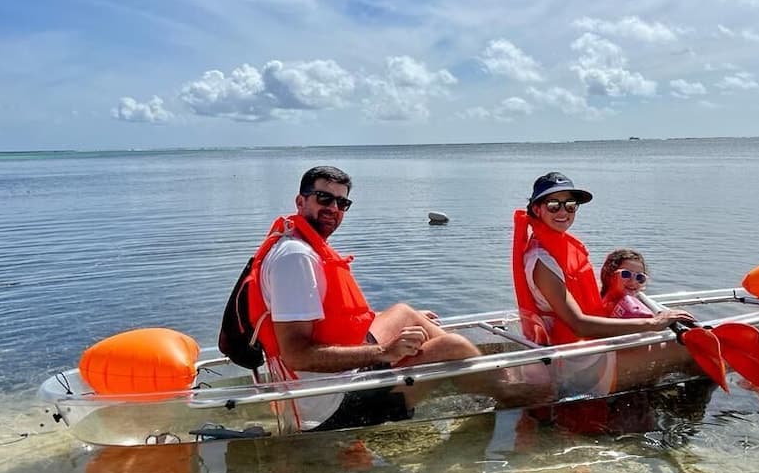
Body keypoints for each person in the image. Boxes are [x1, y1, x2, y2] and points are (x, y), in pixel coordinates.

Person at [248, 165, 513, 434]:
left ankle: (493, 380)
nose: (333, 208)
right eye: (324, 198)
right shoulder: (296, 257)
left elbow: (334, 319)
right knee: (453, 346)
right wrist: (385, 352)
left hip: (332, 380)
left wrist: (395, 336)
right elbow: (295, 355)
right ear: (300, 201)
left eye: (342, 202)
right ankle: (515, 395)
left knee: (404, 313)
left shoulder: (296, 241)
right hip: (328, 405)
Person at [511, 171, 699, 396]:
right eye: (553, 205)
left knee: (667, 343)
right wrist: (655, 323)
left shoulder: (558, 245)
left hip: (585, 351)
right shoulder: (542, 260)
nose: (563, 211)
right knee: (690, 349)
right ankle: (689, 420)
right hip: (578, 364)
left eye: (570, 205)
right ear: (536, 209)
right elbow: (579, 324)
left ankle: (652, 400)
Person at [600, 248, 654, 319]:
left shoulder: (638, 304)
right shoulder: (601, 307)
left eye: (640, 277)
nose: (633, 281)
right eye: (626, 274)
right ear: (609, 275)